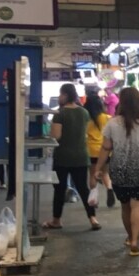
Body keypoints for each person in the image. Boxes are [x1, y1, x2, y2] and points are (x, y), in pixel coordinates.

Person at [94, 88, 139, 257]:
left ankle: (130, 237)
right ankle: (136, 241)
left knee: (125, 206)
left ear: (121, 103)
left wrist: (98, 168)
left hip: (120, 170)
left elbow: (106, 148)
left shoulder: (112, 123)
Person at [44, 83, 100, 231]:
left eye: (60, 94)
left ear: (65, 95)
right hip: (81, 156)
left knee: (59, 189)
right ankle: (93, 219)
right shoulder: (84, 112)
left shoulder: (60, 114)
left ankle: (56, 220)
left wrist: (49, 135)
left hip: (63, 157)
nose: (59, 97)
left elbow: (57, 136)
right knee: (83, 189)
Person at [85, 93, 116, 208]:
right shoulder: (106, 118)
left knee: (93, 174)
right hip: (105, 150)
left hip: (91, 150)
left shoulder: (86, 118)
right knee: (105, 173)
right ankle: (109, 188)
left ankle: (94, 198)